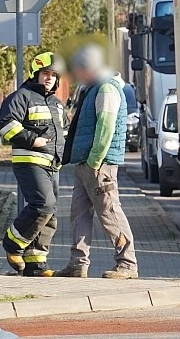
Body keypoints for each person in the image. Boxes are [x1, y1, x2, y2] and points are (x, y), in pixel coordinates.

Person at [55, 44, 139, 279]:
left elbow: (106, 127)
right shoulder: (93, 88)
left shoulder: (106, 89)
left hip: (99, 164)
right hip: (86, 163)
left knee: (109, 212)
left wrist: (94, 161)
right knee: (79, 214)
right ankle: (77, 264)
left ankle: (127, 263)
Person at [0, 52, 68, 277]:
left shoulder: (57, 104)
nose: (49, 78)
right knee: (43, 205)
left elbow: (64, 132)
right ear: (35, 74)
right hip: (29, 161)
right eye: (45, 73)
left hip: (52, 165)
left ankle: (35, 263)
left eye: (53, 75)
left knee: (50, 214)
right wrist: (31, 139)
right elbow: (6, 125)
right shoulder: (22, 96)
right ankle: (12, 243)